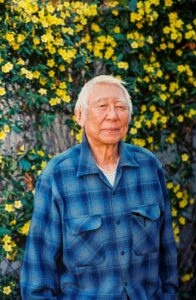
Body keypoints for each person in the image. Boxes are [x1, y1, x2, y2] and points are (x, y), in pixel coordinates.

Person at [20, 75, 178, 299]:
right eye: (102, 106)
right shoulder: (57, 176)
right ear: (80, 116)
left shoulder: (149, 167)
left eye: (120, 107)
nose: (112, 115)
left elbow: (167, 254)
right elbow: (38, 272)